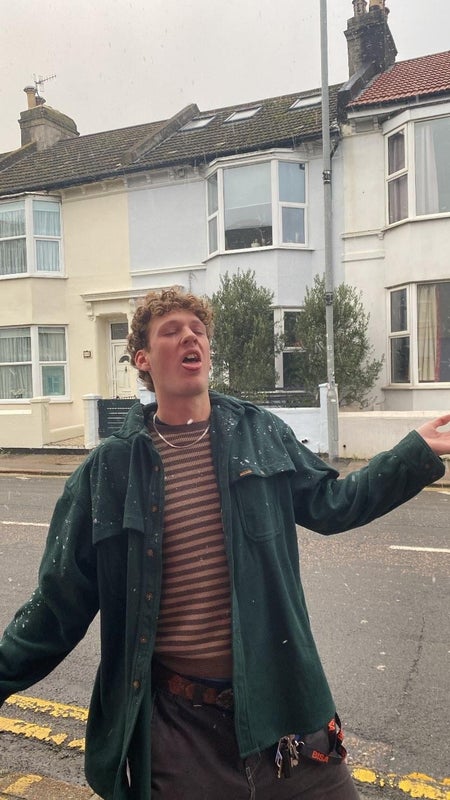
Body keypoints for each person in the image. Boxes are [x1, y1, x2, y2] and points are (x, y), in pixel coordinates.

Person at [1, 287, 449, 800]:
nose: (190, 337)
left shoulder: (259, 433)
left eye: (198, 330)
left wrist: (414, 453)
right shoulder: (109, 472)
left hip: (286, 712)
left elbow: (334, 504)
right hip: (180, 735)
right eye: (171, 331)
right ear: (142, 359)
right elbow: (56, 607)